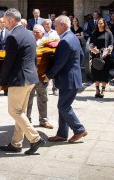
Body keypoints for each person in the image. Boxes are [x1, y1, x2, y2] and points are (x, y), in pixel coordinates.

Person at [0, 8, 46, 155]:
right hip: (30, 78)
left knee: (14, 111)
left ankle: (35, 138)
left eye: (5, 20)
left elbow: (8, 63)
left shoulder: (12, 36)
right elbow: (33, 58)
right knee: (20, 112)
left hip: (19, 80)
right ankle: (16, 144)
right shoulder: (29, 33)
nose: (4, 24)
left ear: (11, 20)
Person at [42, 15, 87, 143]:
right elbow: (81, 56)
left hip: (68, 79)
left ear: (64, 25)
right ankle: (62, 134)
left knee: (63, 107)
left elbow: (59, 62)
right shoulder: (73, 37)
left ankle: (79, 129)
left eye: (56, 25)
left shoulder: (65, 41)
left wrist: (48, 75)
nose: (55, 28)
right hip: (71, 78)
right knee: (63, 105)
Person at [26, 24, 54, 129]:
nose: (35, 33)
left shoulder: (48, 43)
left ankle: (43, 120)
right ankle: (27, 121)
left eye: (37, 32)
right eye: (34, 31)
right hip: (30, 77)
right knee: (28, 100)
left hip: (43, 77)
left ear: (43, 33)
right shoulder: (29, 42)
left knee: (43, 99)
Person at [89, 18, 113, 98]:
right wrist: (92, 48)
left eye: (101, 23)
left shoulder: (108, 33)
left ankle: (103, 89)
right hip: (95, 55)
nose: (100, 24)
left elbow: (111, 44)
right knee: (96, 72)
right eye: (98, 23)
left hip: (105, 56)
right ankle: (97, 90)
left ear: (104, 24)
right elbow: (91, 43)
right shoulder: (94, 33)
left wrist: (108, 50)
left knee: (104, 73)